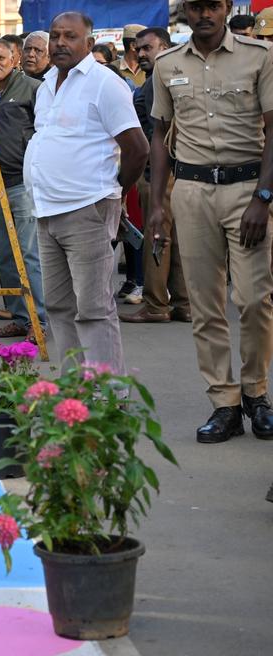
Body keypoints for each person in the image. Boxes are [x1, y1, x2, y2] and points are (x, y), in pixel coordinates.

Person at [148, 0, 273, 444]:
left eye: (214, 6)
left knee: (256, 298)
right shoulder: (166, 64)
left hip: (246, 189)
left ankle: (256, 393)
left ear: (224, 10)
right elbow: (160, 135)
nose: (205, 14)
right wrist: (158, 206)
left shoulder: (259, 57)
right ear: (185, 13)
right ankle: (225, 402)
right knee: (205, 305)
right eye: (197, 7)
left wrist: (263, 195)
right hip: (192, 190)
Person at [23, 11, 148, 374]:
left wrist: (113, 192)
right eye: (55, 35)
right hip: (47, 211)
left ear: (88, 44)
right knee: (60, 307)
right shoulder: (47, 84)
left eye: (70, 36)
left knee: (93, 309)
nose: (60, 42)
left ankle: (106, 396)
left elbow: (137, 149)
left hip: (87, 210)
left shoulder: (104, 83)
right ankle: (74, 390)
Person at [0, 39, 48, 342]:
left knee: (28, 254)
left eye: (1, 57)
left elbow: (47, 133)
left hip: (23, 183)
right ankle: (19, 317)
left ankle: (38, 320)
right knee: (5, 255)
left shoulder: (33, 89)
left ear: (15, 58)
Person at [120, 26, 190, 325]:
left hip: (159, 173)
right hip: (178, 172)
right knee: (175, 239)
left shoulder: (157, 83)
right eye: (139, 49)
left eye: (148, 48)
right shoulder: (163, 79)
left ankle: (156, 304)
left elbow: (155, 134)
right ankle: (184, 303)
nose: (141, 54)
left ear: (165, 46)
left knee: (156, 238)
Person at [117, 25, 147, 89]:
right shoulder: (112, 69)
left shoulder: (152, 69)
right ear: (133, 46)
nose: (147, 51)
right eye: (145, 46)